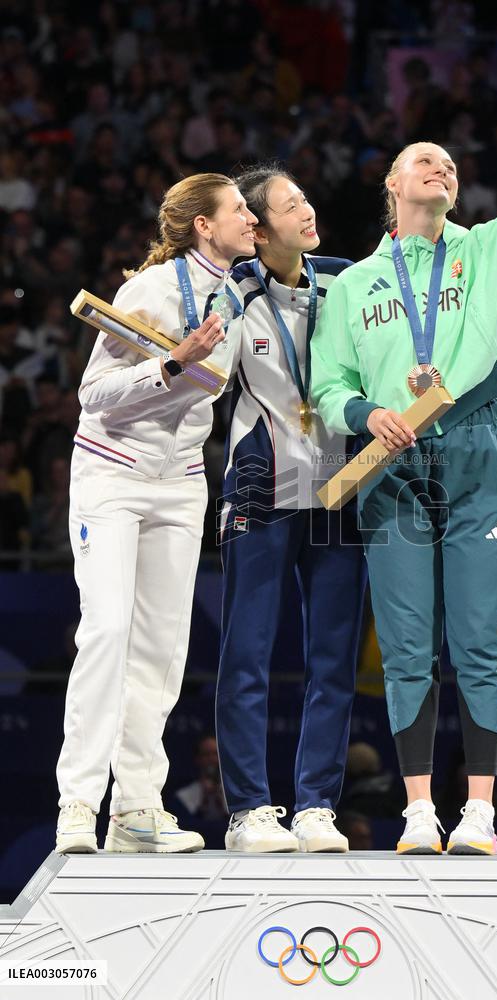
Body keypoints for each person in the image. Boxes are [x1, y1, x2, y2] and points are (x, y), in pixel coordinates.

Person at [311, 63, 497, 855]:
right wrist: (366, 413)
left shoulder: (487, 252)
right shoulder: (355, 287)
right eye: (424, 160)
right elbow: (328, 384)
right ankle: (419, 810)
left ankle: (478, 811)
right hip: (393, 465)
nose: (440, 167)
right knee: (407, 645)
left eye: (448, 162)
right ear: (392, 186)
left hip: (480, 452)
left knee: (482, 639)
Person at [55, 172, 258, 854]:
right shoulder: (148, 289)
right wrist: (172, 363)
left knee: (161, 649)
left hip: (182, 483)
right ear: (204, 224)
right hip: (112, 473)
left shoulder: (236, 296)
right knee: (108, 630)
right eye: (238, 209)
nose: (250, 218)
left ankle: (135, 810)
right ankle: (79, 802)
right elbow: (93, 395)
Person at [216, 166, 366, 854]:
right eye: (290, 205)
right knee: (247, 655)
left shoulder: (347, 282)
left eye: (305, 198)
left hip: (338, 490)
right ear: (258, 228)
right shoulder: (232, 292)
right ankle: (249, 809)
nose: (307, 210)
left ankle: (315, 808)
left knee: (333, 659)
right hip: (261, 490)